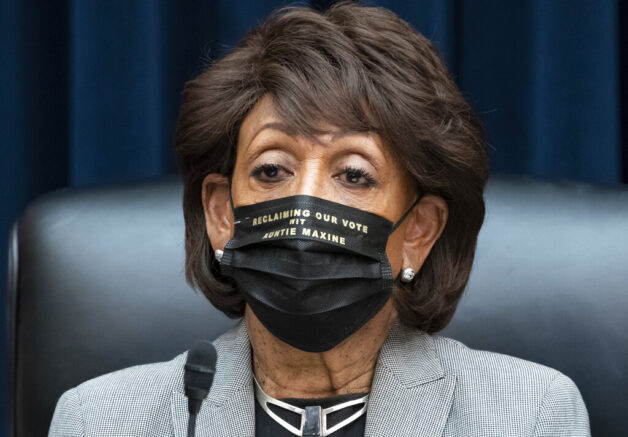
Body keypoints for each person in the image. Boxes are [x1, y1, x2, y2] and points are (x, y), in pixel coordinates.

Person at [48, 2, 590, 436]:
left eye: (353, 175)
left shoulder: (529, 417)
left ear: (419, 232)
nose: (304, 203)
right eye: (271, 169)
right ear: (221, 214)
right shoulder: (100, 421)